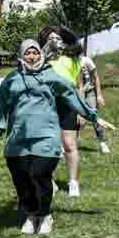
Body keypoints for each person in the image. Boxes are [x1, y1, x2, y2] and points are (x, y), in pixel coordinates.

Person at [0, 40, 110, 235]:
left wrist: (92, 116)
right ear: (21, 56)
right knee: (21, 178)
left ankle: (44, 215)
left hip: (45, 137)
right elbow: (1, 105)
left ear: (41, 55)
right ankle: (31, 214)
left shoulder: (51, 77)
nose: (32, 57)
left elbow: (72, 95)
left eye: (35, 52)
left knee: (39, 174)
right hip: (17, 138)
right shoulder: (12, 79)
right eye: (28, 53)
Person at [41, 26, 85, 198]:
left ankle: (73, 183)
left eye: (57, 38)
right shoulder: (43, 58)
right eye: (50, 38)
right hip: (46, 104)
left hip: (68, 104)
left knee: (69, 145)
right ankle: (48, 181)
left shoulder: (73, 59)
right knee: (47, 145)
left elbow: (79, 86)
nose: (54, 41)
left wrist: (81, 111)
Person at [79, 52, 110, 154]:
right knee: (73, 120)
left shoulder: (86, 60)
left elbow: (96, 77)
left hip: (89, 93)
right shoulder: (67, 61)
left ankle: (102, 143)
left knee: (95, 117)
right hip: (75, 94)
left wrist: (99, 95)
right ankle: (68, 144)